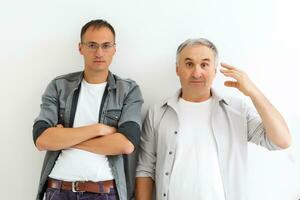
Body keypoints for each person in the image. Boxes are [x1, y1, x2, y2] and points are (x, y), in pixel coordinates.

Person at [135, 38, 291, 200]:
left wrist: (253, 92)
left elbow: (282, 141)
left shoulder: (237, 110)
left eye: (204, 64)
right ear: (177, 69)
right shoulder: (158, 112)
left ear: (215, 70)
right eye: (189, 64)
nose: (197, 73)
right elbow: (145, 169)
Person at [33, 19, 143, 200]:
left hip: (105, 192)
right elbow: (41, 139)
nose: (99, 52)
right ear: (80, 48)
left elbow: (125, 144)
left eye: (106, 46)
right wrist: (97, 129)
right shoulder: (59, 86)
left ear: (114, 49)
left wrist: (66, 139)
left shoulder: (128, 90)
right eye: (92, 45)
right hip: (58, 189)